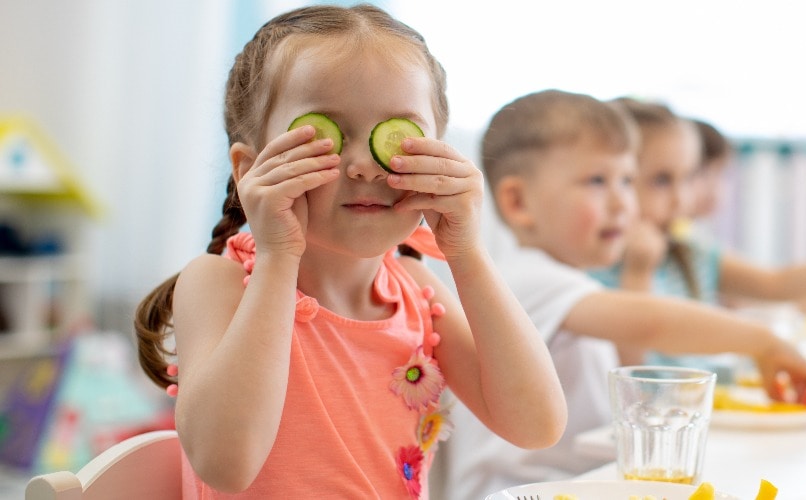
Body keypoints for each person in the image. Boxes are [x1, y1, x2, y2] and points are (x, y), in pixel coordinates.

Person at [132, 5, 566, 498]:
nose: (363, 165)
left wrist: (468, 252)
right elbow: (225, 465)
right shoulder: (218, 283)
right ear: (250, 169)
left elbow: (537, 426)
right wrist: (277, 257)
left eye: (397, 135)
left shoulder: (418, 294)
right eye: (324, 135)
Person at [442, 89, 806, 499]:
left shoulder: (573, 284)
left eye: (626, 180)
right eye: (597, 181)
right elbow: (652, 322)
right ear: (518, 202)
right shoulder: (526, 279)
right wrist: (761, 342)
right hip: (513, 492)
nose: (623, 202)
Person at [589, 98, 806, 369]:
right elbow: (630, 377)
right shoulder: (594, 270)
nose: (680, 199)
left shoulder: (690, 252)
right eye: (661, 180)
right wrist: (637, 271)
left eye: (687, 178)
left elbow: (775, 283)